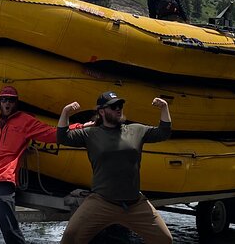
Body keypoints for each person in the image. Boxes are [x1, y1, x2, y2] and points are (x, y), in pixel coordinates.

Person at [57, 92, 173, 244]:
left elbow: (163, 132)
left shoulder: (136, 130)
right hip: (101, 203)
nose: (118, 109)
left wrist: (164, 107)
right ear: (101, 111)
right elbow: (62, 137)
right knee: (70, 239)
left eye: (120, 106)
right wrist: (65, 112)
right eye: (113, 106)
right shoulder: (90, 133)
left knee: (165, 240)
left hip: (135, 204)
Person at [0, 85, 59, 244]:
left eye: (11, 100)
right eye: (4, 100)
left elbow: (51, 133)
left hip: (3, 182)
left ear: (16, 103)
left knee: (9, 230)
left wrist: (81, 127)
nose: (7, 103)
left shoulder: (25, 121)